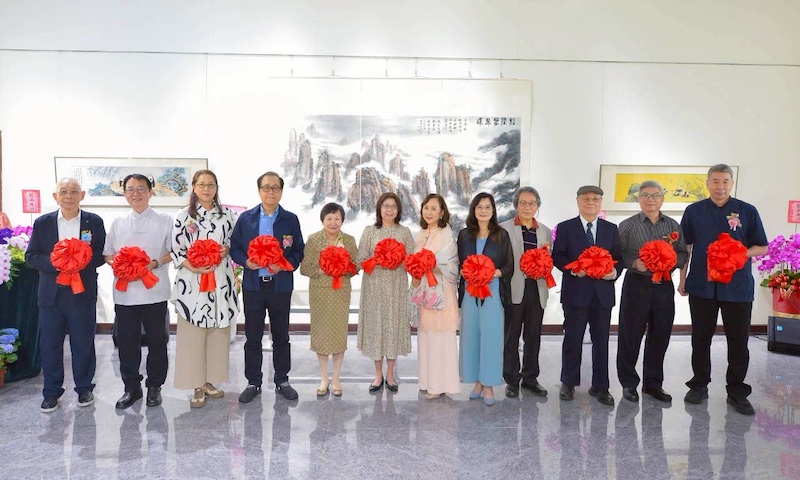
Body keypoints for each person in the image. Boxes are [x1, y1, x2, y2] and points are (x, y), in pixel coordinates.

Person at [678, 164, 768, 415]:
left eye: (725, 181)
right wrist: (682, 279)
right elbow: (686, 247)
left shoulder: (747, 211)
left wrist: (738, 254)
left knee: (738, 340)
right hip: (702, 285)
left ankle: (737, 391)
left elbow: (762, 246)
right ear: (707, 183)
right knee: (700, 337)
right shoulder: (694, 211)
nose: (720, 186)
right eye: (715, 181)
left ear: (732, 183)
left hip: (737, 287)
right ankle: (699, 384)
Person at [25, 178, 106, 413]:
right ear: (56, 196)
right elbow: (31, 256)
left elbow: (101, 254)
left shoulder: (94, 221)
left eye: (73, 191)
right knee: (50, 344)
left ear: (82, 195)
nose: (69, 196)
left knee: (83, 343)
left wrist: (81, 260)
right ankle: (51, 392)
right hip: (51, 296)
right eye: (64, 191)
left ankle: (84, 388)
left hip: (82, 293)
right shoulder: (43, 223)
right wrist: (57, 262)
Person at [231, 171, 305, 403]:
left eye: (275, 188)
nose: (271, 192)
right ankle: (253, 382)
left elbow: (298, 250)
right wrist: (246, 262)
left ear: (281, 191)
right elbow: (235, 248)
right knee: (252, 336)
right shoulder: (247, 219)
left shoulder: (290, 219)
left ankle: (282, 380)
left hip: (280, 286)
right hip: (253, 286)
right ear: (259, 190)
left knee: (281, 335)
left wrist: (285, 265)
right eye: (266, 187)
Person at [171, 169, 240, 408]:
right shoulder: (183, 216)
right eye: (201, 184)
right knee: (193, 335)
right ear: (194, 187)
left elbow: (233, 243)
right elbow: (177, 250)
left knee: (217, 335)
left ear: (216, 188)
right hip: (192, 282)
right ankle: (196, 385)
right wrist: (194, 267)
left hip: (220, 279)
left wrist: (226, 249)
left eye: (211, 185)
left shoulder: (227, 215)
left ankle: (210, 380)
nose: (206, 189)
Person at [104, 174, 173, 409]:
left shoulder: (165, 220)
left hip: (155, 291)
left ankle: (155, 386)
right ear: (124, 194)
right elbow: (107, 254)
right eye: (131, 189)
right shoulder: (117, 223)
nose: (136, 193)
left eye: (141, 189)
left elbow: (174, 251)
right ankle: (131, 388)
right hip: (125, 293)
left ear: (151, 192)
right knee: (127, 342)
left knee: (157, 341)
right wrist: (121, 264)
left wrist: (153, 263)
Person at [616, 180, 688, 404]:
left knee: (660, 335)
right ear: (638, 199)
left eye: (655, 195)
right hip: (636, 285)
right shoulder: (627, 225)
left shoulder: (673, 226)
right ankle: (629, 384)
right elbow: (617, 254)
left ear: (662, 199)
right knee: (630, 335)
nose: (651, 199)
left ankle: (653, 384)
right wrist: (633, 263)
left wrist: (670, 262)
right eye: (645, 195)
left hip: (663, 286)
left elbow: (683, 254)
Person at [552, 185, 623, 406]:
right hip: (575, 293)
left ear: (600, 202)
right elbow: (558, 256)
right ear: (578, 201)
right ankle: (568, 382)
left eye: (595, 199)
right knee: (572, 339)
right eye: (586, 198)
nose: (590, 202)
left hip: (603, 295)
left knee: (601, 341)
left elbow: (619, 258)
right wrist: (574, 269)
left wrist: (613, 273)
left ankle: (601, 386)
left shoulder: (611, 229)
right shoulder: (566, 228)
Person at [457, 192, 513, 406]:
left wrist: (491, 273)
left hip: (493, 292)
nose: (483, 211)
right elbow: (459, 263)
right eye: (479, 207)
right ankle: (477, 382)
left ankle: (488, 384)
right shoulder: (464, 235)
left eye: (487, 207)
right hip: (470, 294)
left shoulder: (501, 235)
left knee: (491, 338)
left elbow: (509, 266)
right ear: (473, 210)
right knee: (471, 337)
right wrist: (465, 272)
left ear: (493, 211)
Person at [357, 192, 414, 393]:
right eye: (386, 206)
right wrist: (378, 260)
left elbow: (411, 261)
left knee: (392, 327)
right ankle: (377, 374)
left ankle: (390, 373)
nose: (389, 210)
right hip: (374, 287)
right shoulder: (370, 231)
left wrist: (397, 260)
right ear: (379, 209)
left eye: (393, 207)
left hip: (396, 287)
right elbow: (360, 260)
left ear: (398, 211)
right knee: (376, 328)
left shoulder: (404, 232)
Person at [299, 202, 358, 397]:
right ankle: (324, 378)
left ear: (342, 221)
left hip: (341, 293)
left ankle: (337, 378)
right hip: (320, 293)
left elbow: (355, 267)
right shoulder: (314, 239)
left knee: (339, 334)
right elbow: (304, 268)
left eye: (337, 219)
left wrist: (343, 268)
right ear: (322, 220)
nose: (333, 222)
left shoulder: (349, 240)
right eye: (329, 218)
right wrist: (322, 269)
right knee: (322, 334)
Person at [500, 186, 553, 398]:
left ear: (537, 206)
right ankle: (512, 379)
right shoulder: (504, 229)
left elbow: (549, 260)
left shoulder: (545, 231)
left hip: (537, 288)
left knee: (533, 336)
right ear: (516, 205)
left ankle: (531, 378)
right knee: (511, 336)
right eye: (523, 203)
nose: (527, 207)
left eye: (532, 203)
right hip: (514, 288)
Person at [412, 194, 460, 400]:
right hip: (425, 292)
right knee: (426, 335)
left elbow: (451, 265)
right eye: (426, 208)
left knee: (440, 336)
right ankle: (427, 381)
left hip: (441, 291)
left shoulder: (446, 234)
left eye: (434, 208)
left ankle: (440, 384)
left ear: (442, 212)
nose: (429, 212)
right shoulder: (422, 233)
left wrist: (429, 263)